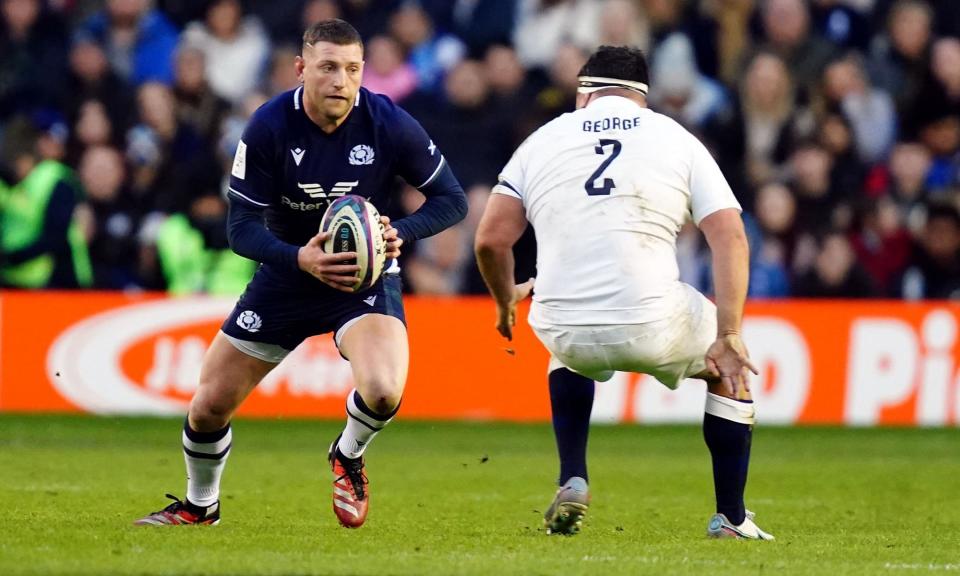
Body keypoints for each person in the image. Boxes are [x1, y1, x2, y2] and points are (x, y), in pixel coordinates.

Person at [135, 19, 467, 528]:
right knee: (207, 406)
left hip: (362, 278)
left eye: (352, 69)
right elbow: (240, 227)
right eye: (329, 67)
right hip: (288, 276)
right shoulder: (269, 125)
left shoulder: (387, 121)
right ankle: (201, 506)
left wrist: (399, 231)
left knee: (383, 391)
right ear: (301, 68)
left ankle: (348, 456)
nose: (341, 80)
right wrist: (299, 258)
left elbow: (452, 199)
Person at [474, 46, 774, 540]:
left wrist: (506, 298)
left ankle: (573, 475)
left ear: (583, 92)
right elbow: (731, 237)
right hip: (652, 319)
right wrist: (730, 332)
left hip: (562, 322)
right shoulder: (676, 137)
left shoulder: (543, 139)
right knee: (730, 369)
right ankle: (732, 518)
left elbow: (490, 239)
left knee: (565, 349)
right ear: (642, 97)